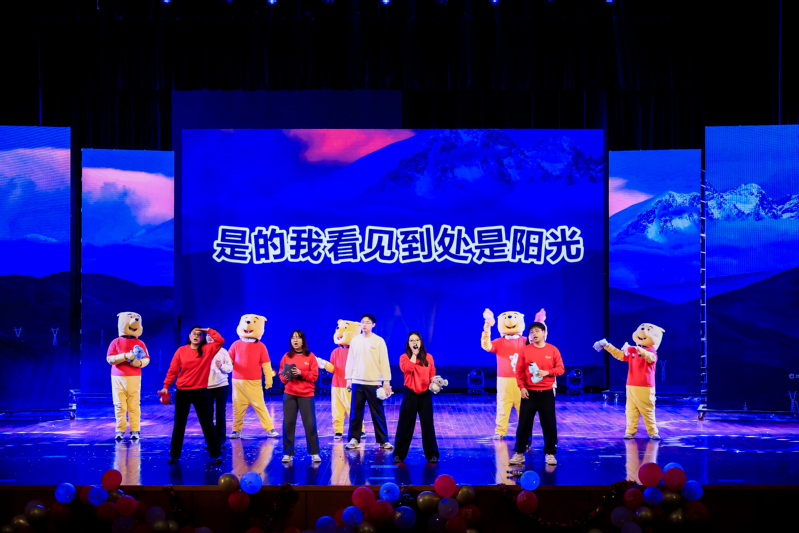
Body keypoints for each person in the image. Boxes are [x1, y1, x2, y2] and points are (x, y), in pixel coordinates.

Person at [161, 326, 224, 464]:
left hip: (200, 391)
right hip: (182, 391)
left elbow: (220, 340)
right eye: (193, 333)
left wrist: (205, 329)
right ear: (189, 336)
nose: (196, 336)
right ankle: (174, 455)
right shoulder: (181, 351)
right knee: (179, 423)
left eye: (199, 334)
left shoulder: (207, 350)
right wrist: (166, 387)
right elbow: (173, 370)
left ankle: (216, 454)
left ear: (202, 338)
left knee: (207, 423)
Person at [509, 321, 563, 467]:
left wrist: (547, 372)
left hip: (546, 393)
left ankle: (550, 454)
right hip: (529, 393)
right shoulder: (525, 351)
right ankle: (519, 453)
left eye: (537, 331)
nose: (534, 334)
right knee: (524, 424)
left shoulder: (553, 350)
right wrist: (522, 387)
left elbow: (560, 369)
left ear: (544, 333)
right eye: (531, 332)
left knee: (549, 424)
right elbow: (519, 371)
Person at [345, 313, 393, 450]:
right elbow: (350, 360)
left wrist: (386, 382)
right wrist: (349, 379)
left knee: (378, 412)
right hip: (357, 381)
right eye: (362, 322)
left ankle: (383, 441)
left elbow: (384, 361)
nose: (364, 324)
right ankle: (354, 439)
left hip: (374, 382)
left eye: (367, 322)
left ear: (373, 325)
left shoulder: (379, 341)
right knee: (355, 412)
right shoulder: (355, 340)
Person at [228, 314, 279, 439]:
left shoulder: (261, 346)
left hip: (254, 383)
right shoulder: (235, 345)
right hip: (238, 383)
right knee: (237, 407)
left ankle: (270, 429)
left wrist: (268, 380)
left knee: (260, 406)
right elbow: (228, 361)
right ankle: (236, 430)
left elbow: (266, 364)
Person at [392, 332, 439, 463]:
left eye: (417, 340)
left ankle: (432, 454)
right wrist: (414, 354)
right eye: (411, 340)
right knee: (405, 424)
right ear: (408, 343)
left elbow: (432, 373)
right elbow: (407, 369)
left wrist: (435, 382)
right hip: (410, 393)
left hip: (425, 393)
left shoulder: (428, 357)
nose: (414, 342)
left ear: (421, 342)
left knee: (428, 424)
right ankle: (399, 454)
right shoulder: (404, 357)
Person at [315, 319, 365, 439]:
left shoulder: (356, 351)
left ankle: (359, 429)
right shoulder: (335, 352)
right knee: (336, 409)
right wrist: (324, 364)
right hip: (336, 385)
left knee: (352, 409)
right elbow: (333, 369)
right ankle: (338, 430)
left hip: (349, 385)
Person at [278, 330, 321, 463]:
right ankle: (288, 453)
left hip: (306, 395)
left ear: (303, 341)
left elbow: (314, 376)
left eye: (298, 338)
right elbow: (281, 375)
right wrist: (285, 377)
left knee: (310, 424)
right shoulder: (286, 356)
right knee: (288, 424)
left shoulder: (310, 356)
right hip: (290, 394)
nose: (295, 340)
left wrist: (301, 373)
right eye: (293, 338)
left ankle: (314, 452)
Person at [106, 311, 150, 441]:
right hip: (118, 377)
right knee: (119, 405)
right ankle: (120, 430)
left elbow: (147, 358)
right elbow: (110, 359)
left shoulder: (140, 343)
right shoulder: (115, 342)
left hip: (134, 377)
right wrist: (124, 356)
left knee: (134, 405)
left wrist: (140, 363)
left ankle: (135, 429)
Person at [206, 333, 233, 447]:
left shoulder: (223, 351)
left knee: (220, 413)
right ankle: (210, 441)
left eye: (212, 336)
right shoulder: (202, 351)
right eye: (207, 336)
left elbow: (230, 368)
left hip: (221, 386)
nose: (210, 338)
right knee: (208, 414)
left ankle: (221, 440)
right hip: (206, 387)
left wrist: (221, 366)